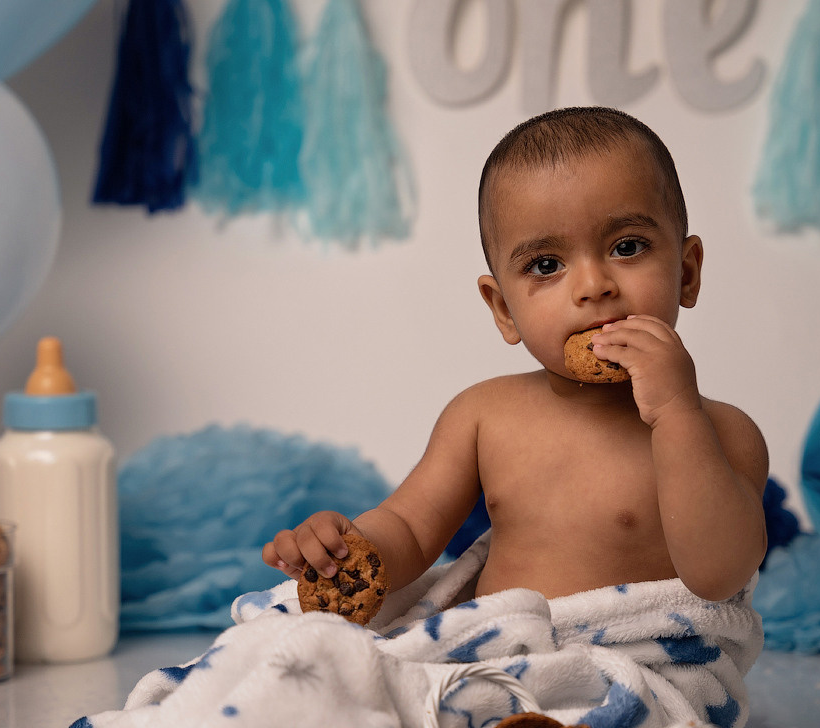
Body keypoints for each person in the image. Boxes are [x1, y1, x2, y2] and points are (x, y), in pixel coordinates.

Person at [264, 106, 768, 605]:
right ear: (504, 308)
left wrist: (678, 414)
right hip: (500, 658)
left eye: (628, 247)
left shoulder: (723, 433)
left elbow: (719, 576)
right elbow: (410, 529)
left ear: (686, 273)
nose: (594, 286)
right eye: (546, 264)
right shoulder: (483, 415)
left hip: (640, 662)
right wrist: (346, 552)